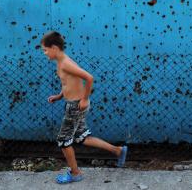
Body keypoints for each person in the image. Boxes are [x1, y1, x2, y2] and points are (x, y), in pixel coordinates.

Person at [41, 31, 128, 184]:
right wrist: (59, 96)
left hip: (76, 105)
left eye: (45, 50)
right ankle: (118, 150)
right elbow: (68, 82)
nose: (45, 53)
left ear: (54, 47)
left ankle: (75, 173)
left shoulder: (65, 63)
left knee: (63, 140)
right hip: (74, 104)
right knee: (82, 137)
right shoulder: (62, 62)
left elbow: (89, 77)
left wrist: (85, 99)